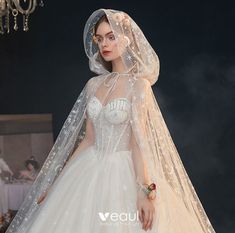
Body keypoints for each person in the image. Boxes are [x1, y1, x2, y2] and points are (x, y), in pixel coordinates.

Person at [5, 9, 217, 233]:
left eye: (111, 36)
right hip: (88, 167)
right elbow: (88, 138)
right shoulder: (93, 85)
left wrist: (145, 192)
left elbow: (139, 141)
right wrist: (57, 182)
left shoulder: (139, 86)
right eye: (99, 39)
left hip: (124, 170)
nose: (104, 44)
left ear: (127, 40)